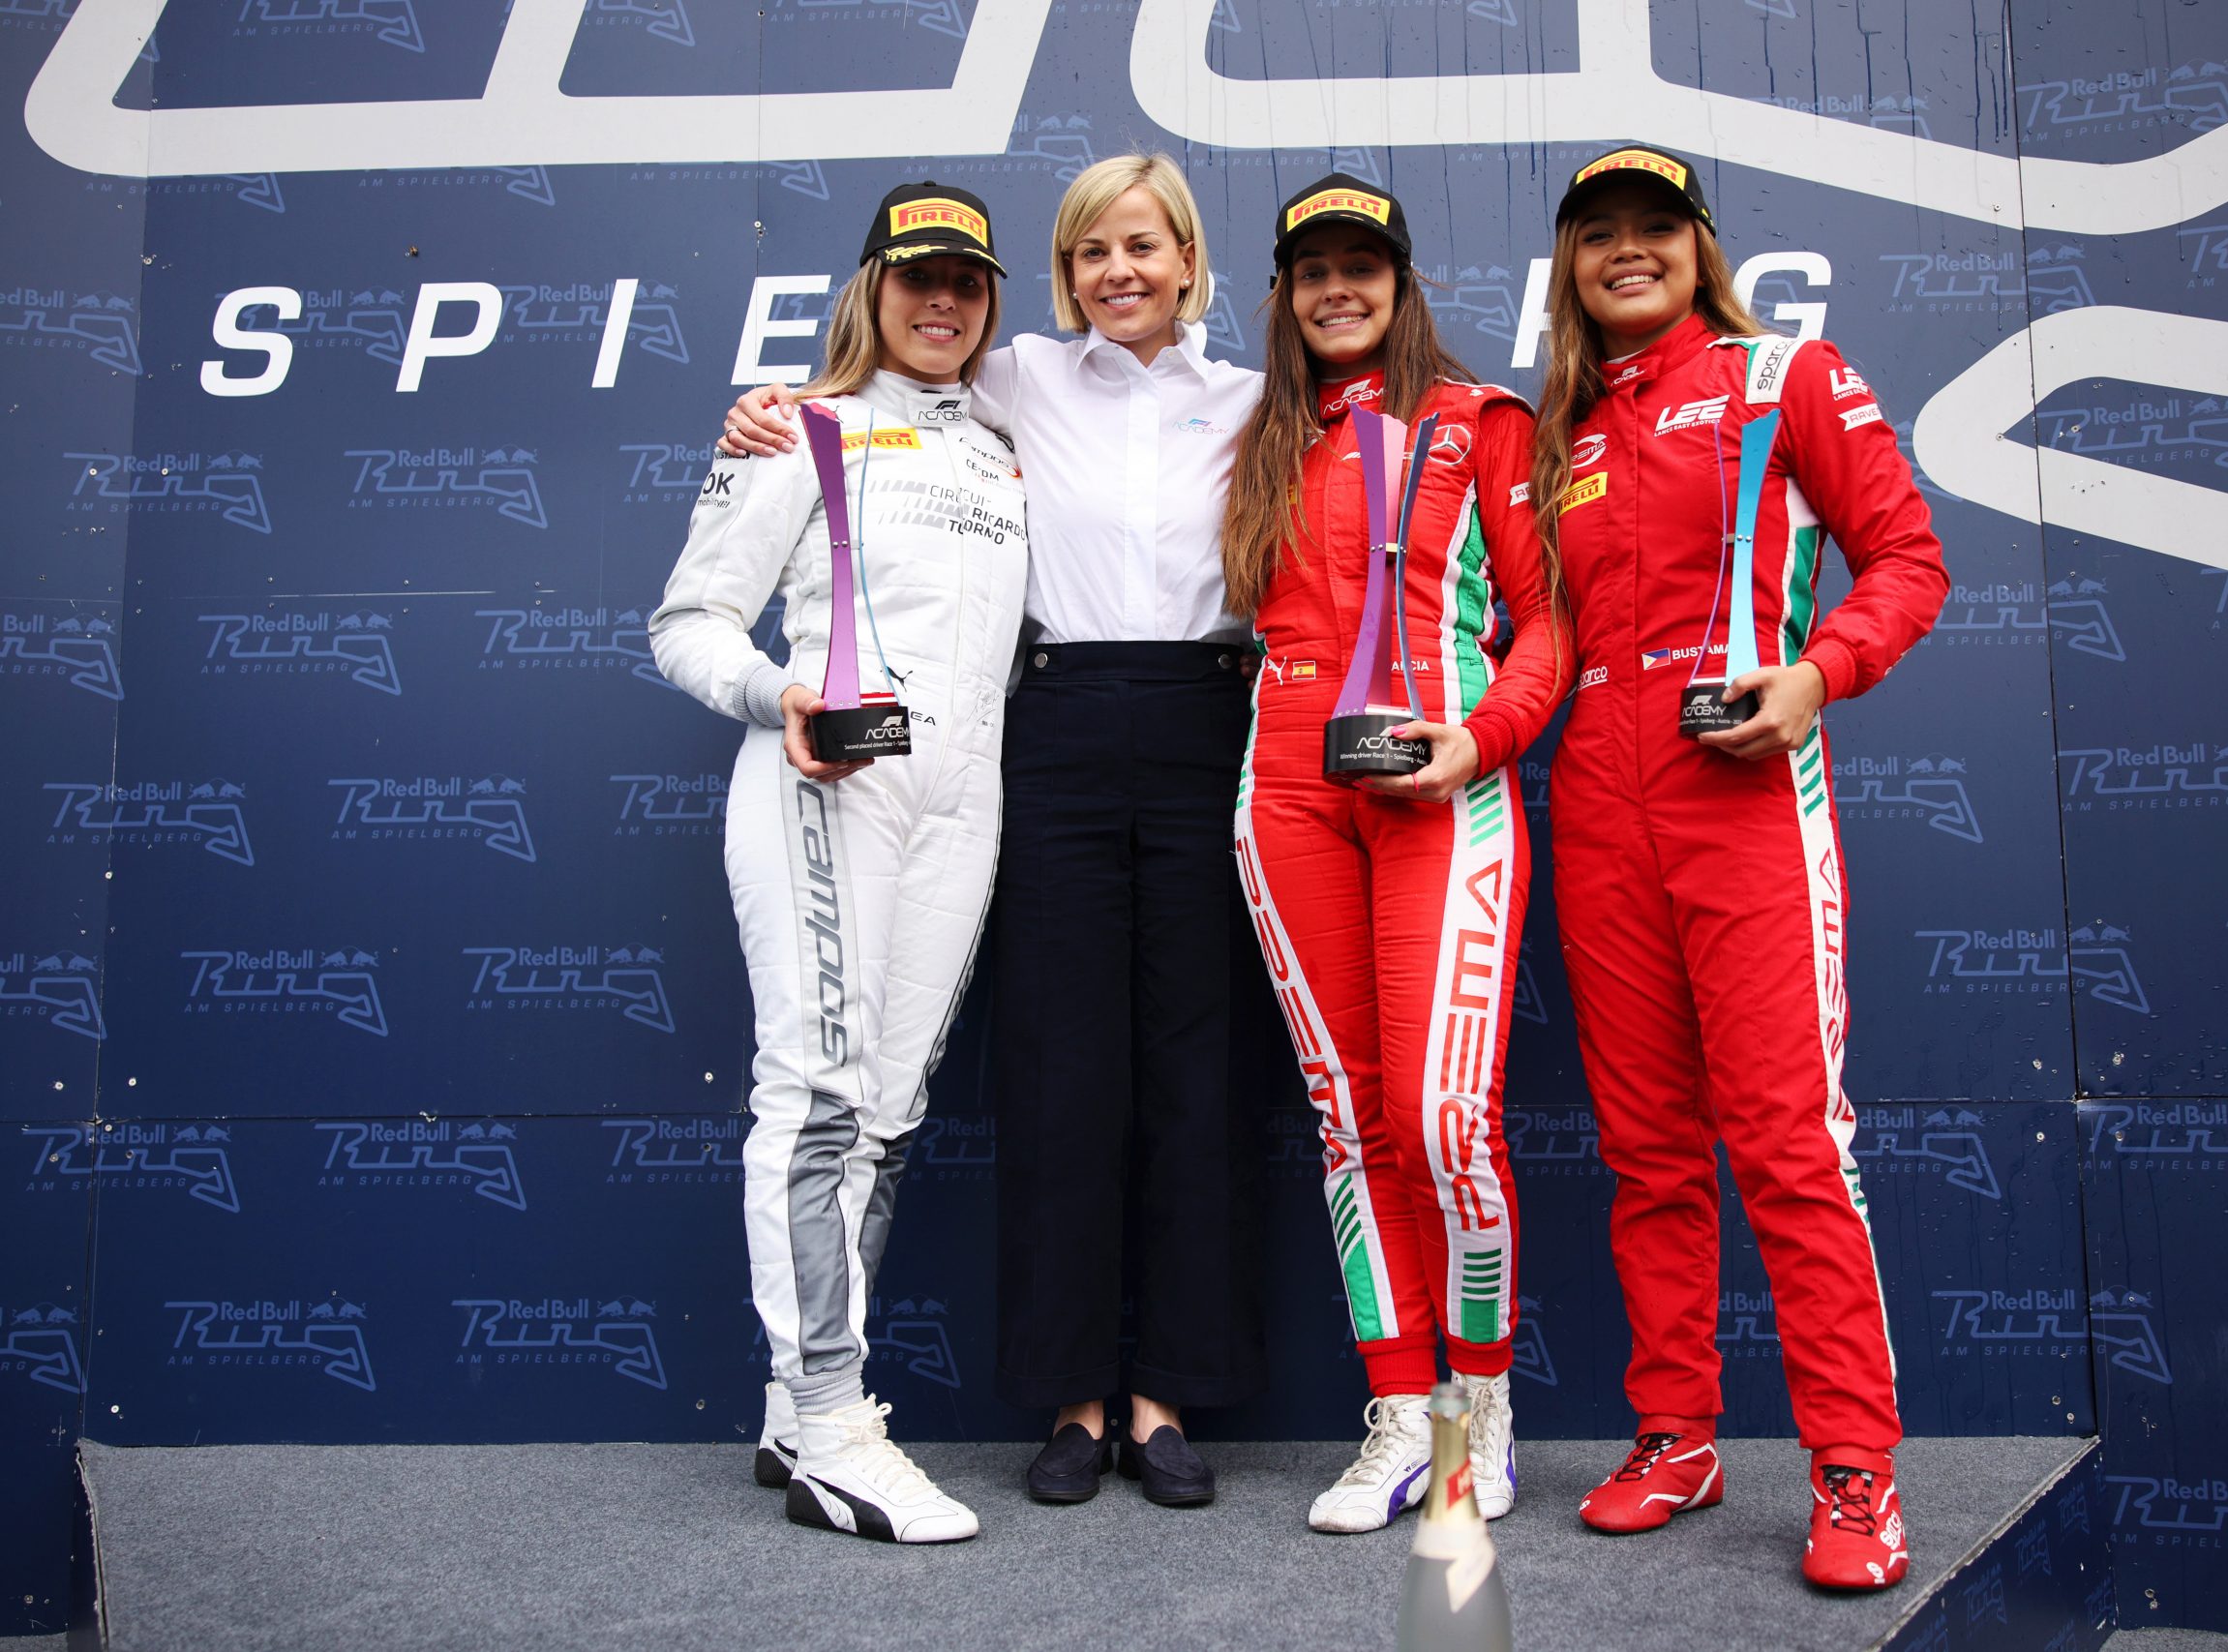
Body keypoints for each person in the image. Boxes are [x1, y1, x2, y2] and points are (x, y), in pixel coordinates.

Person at [718, 154, 1271, 1509]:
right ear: (1066, 273)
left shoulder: (1265, 405)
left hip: (1212, 717)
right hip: (1056, 726)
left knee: (1200, 1072)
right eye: (1091, 253)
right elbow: (878, 393)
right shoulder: (1013, 379)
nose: (1118, 274)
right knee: (1058, 1068)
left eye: (1143, 248)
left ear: (1191, 263)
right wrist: (776, 407)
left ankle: (1166, 1399)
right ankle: (1077, 1401)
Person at [1529, 144, 1948, 1588]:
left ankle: (1852, 1471)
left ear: (1699, 248)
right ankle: (1678, 1434)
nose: (1626, 252)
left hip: (1748, 790)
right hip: (1597, 795)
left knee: (1784, 1135)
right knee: (1647, 1148)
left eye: (1655, 228)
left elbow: (1908, 558)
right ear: (1570, 268)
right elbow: (1542, 636)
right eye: (1598, 236)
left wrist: (1819, 675)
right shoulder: (1557, 431)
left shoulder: (1790, 377)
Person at [651, 182, 1028, 1544]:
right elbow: (688, 623)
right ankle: (832, 1425)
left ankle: (790, 1405)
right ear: (870, 286)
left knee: (887, 1108)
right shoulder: (797, 428)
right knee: (812, 1099)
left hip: (963, 800)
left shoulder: (1003, 444)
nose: (942, 302)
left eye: (968, 284)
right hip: (833, 783)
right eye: (918, 277)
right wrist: (779, 702)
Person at [1221, 174, 1571, 1533]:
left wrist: (1479, 741)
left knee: (1442, 1119)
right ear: (1284, 293)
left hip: (1442, 780)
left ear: (1404, 280)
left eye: (1361, 265)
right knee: (1350, 1119)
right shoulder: (1256, 435)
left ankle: (1478, 1410)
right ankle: (1398, 1414)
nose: (1337, 290)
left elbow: (1548, 627)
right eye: (1312, 270)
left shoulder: (1483, 422)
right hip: (1286, 785)